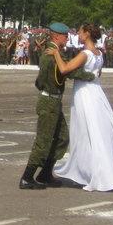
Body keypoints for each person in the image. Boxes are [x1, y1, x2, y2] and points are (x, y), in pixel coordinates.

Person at [46, 24, 113, 191]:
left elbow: (64, 69)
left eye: (80, 32)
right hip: (97, 93)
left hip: (84, 94)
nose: (78, 34)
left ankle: (90, 172)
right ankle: (91, 171)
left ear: (87, 34)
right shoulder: (99, 54)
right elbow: (98, 74)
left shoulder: (85, 54)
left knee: (85, 131)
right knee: (96, 131)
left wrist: (56, 54)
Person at [19, 22, 98, 190]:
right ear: (56, 36)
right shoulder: (51, 54)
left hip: (53, 101)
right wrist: (91, 75)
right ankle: (27, 177)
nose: (67, 38)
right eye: (65, 36)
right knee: (43, 140)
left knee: (62, 138)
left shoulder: (55, 52)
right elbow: (70, 71)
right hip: (49, 101)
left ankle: (45, 174)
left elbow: (40, 80)